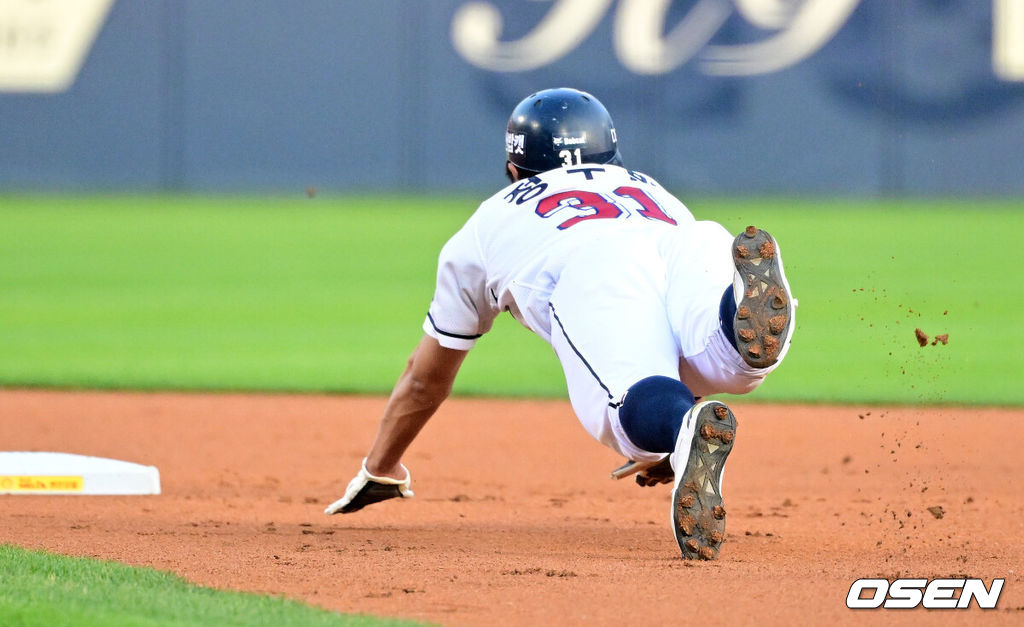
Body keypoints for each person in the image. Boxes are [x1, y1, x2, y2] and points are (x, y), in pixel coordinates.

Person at [324, 88, 795, 560]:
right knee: (726, 363)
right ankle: (730, 331)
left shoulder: (487, 223)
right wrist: (677, 446)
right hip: (688, 242)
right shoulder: (651, 188)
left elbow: (425, 379)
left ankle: (674, 425)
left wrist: (380, 467)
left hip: (593, 271)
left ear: (513, 169)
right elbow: (673, 346)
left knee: (624, 406)